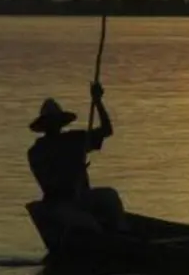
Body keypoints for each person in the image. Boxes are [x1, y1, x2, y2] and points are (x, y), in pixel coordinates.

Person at [27, 82, 125, 231]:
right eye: (50, 122)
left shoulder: (75, 140)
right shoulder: (37, 152)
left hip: (82, 198)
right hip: (59, 205)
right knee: (89, 225)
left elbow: (106, 130)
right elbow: (49, 184)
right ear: (44, 125)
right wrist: (73, 174)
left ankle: (121, 231)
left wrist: (98, 101)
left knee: (110, 196)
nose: (53, 125)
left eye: (56, 121)